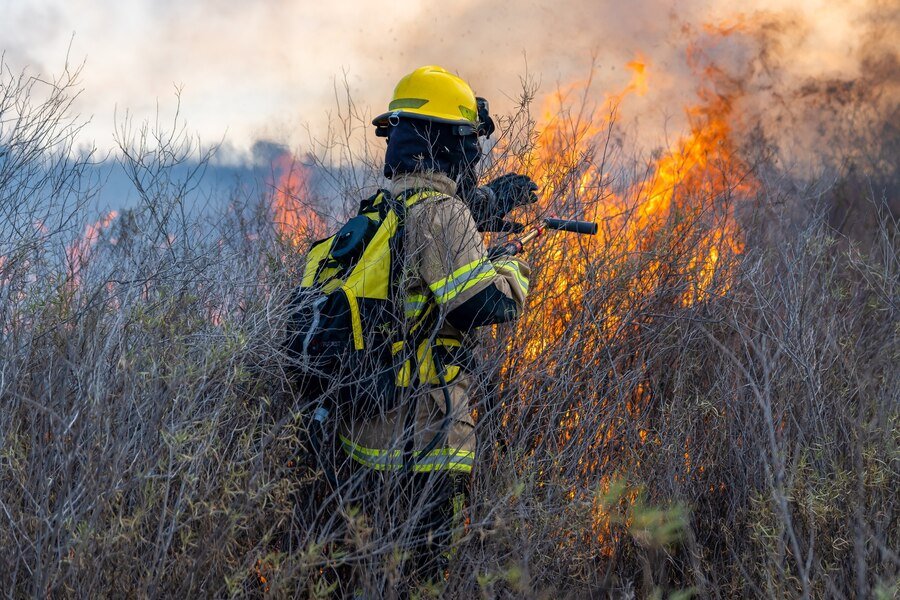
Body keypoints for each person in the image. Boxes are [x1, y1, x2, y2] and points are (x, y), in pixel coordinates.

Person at [334, 65, 538, 589]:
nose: (474, 153)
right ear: (448, 141)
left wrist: (486, 207)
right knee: (425, 580)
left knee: (371, 578)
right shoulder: (442, 214)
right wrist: (512, 263)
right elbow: (484, 307)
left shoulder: (384, 209)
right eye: (468, 140)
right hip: (426, 439)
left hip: (366, 436)